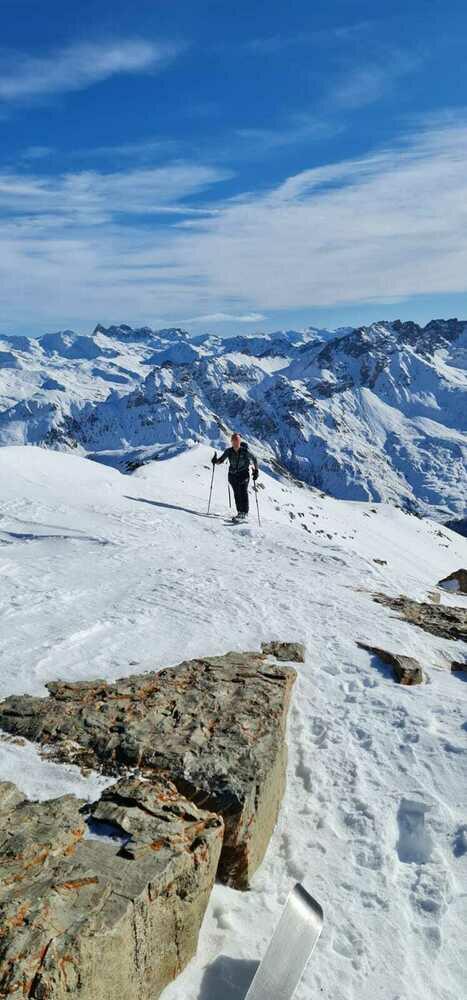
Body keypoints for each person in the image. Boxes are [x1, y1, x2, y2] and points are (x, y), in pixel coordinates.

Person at [212, 432, 259, 519]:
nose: (235, 442)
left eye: (237, 441)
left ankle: (244, 513)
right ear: (231, 442)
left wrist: (256, 471)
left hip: (244, 474)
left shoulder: (245, 451)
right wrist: (215, 461)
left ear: (239, 442)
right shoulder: (228, 451)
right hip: (233, 476)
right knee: (237, 493)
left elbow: (254, 458)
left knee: (243, 492)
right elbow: (221, 460)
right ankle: (240, 512)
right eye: (234, 441)